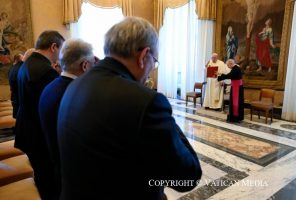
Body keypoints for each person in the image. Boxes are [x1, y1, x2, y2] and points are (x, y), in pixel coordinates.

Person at [57, 17, 202, 200]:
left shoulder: (75, 84)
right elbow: (188, 176)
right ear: (144, 56)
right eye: (154, 62)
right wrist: (161, 110)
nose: (151, 70)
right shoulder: (143, 101)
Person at [38, 39, 95, 199]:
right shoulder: (77, 94)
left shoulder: (50, 87)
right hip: (76, 179)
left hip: (57, 166)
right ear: (84, 66)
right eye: (92, 64)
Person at [15, 30, 65, 200]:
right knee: (48, 183)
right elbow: (52, 107)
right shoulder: (45, 71)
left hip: (28, 130)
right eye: (61, 49)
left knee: (41, 177)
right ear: (53, 47)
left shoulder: (27, 64)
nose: (60, 55)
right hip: (39, 136)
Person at [8, 54, 23, 118]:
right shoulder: (17, 69)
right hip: (16, 96)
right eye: (22, 59)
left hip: (14, 95)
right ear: (17, 60)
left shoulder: (12, 68)